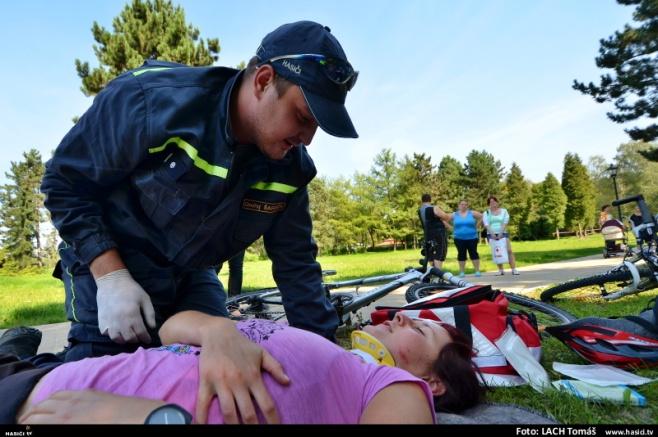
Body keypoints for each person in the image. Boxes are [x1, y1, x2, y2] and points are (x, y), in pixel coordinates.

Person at [40, 21, 359, 423]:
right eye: (303, 116)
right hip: (110, 259)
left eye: (318, 126)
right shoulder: (152, 101)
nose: (308, 138)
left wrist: (333, 367)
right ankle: (18, 366)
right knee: (94, 384)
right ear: (263, 81)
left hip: (192, 273)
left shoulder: (290, 171)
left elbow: (297, 267)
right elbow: (64, 182)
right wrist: (110, 276)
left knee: (222, 371)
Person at [2, 313, 481, 424]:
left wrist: (155, 423)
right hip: (52, 382)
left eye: (419, 329)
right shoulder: (326, 352)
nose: (400, 315)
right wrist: (217, 331)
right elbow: (170, 328)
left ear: (433, 381)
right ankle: (16, 351)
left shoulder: (391, 387)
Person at [431, 200, 483, 278]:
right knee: (461, 254)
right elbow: (443, 220)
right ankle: (462, 272)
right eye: (462, 204)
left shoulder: (472, 213)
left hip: (472, 237)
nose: (464, 206)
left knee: (474, 253)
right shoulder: (454, 215)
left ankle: (477, 271)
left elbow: (482, 216)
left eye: (465, 204)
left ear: (467, 206)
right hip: (459, 238)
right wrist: (450, 227)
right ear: (459, 206)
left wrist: (477, 226)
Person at [483, 196, 519, 275]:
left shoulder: (504, 211)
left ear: (497, 202)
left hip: (503, 233)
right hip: (491, 234)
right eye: (491, 202)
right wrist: (492, 234)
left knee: (509, 250)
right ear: (489, 204)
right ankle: (501, 270)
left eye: (494, 201)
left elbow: (505, 222)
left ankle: (514, 269)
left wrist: (500, 233)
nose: (493, 203)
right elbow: (486, 224)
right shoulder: (486, 213)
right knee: (496, 252)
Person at [418, 194, 450, 269]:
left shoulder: (420, 210)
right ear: (430, 200)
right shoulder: (433, 208)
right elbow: (446, 217)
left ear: (422, 201)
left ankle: (432, 272)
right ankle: (438, 273)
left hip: (427, 234)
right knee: (439, 252)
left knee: (430, 253)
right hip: (438, 233)